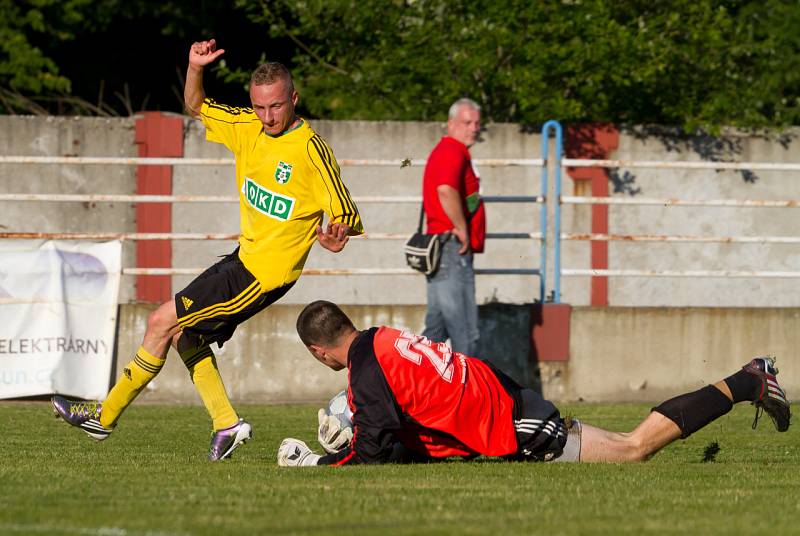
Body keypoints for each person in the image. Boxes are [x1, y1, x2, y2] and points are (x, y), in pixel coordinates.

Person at [52, 39, 364, 461]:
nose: (267, 117)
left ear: (293, 98)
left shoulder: (310, 149)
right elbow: (196, 106)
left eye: (275, 106)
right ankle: (227, 424)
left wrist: (334, 235)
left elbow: (344, 213)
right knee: (185, 336)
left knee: (162, 321)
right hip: (241, 259)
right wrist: (194, 66)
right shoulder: (246, 126)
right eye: (259, 107)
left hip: (264, 275)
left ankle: (103, 417)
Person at [277, 300, 791, 466]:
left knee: (633, 449)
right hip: (503, 395)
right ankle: (746, 380)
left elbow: (373, 446)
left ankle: (747, 382)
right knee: (628, 442)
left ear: (319, 350)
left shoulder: (366, 370)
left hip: (511, 420)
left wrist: (318, 464)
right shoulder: (381, 338)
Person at [421, 98, 486, 356]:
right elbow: (446, 190)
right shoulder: (452, 151)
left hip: (442, 249)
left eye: (477, 123)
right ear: (451, 124)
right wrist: (462, 229)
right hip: (451, 249)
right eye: (467, 122)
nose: (474, 128)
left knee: (434, 335)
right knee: (466, 333)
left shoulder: (449, 150)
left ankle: (402, 388)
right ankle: (469, 395)